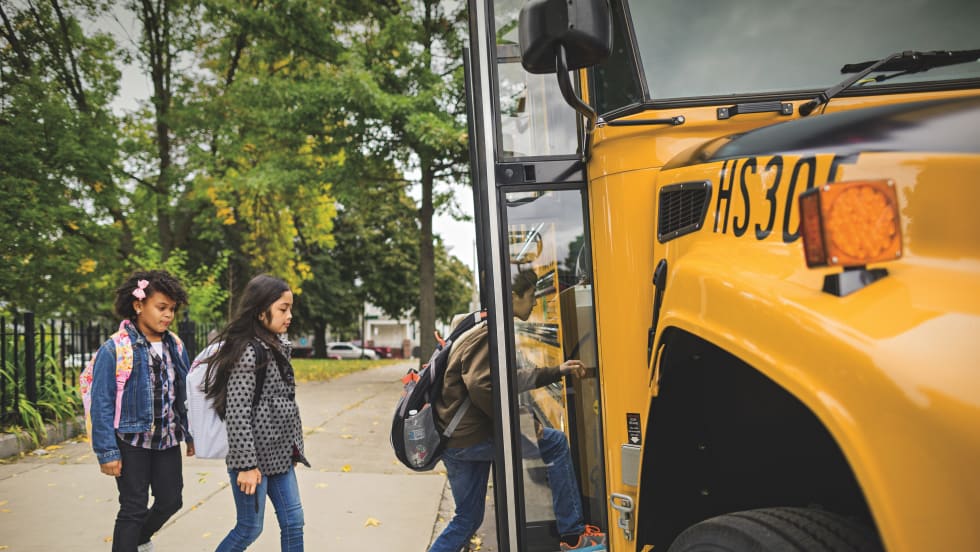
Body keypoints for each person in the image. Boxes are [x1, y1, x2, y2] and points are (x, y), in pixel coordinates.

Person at [431, 269, 607, 552]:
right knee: (556, 444)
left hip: (455, 439)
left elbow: (504, 379)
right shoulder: (491, 332)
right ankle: (574, 536)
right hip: (470, 438)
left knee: (467, 518)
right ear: (513, 297)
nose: (536, 303)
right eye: (532, 296)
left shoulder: (480, 325)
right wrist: (519, 425)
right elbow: (481, 384)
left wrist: (556, 371)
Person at [89, 270, 194, 552]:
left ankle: (137, 540)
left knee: (171, 500)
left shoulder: (176, 345)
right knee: (133, 508)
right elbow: (101, 403)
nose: (168, 315)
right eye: (161, 308)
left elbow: (184, 394)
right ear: (138, 305)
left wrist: (191, 433)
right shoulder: (115, 349)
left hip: (167, 440)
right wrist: (107, 452)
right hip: (132, 441)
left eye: (172, 309)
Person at [204, 274, 310, 551]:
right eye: (283, 309)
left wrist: (292, 448)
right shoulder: (249, 351)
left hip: (280, 456)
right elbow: (237, 410)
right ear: (261, 311)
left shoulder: (276, 345)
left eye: (290, 308)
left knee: (294, 522)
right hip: (253, 461)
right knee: (249, 527)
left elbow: (284, 403)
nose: (290, 315)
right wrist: (246, 465)